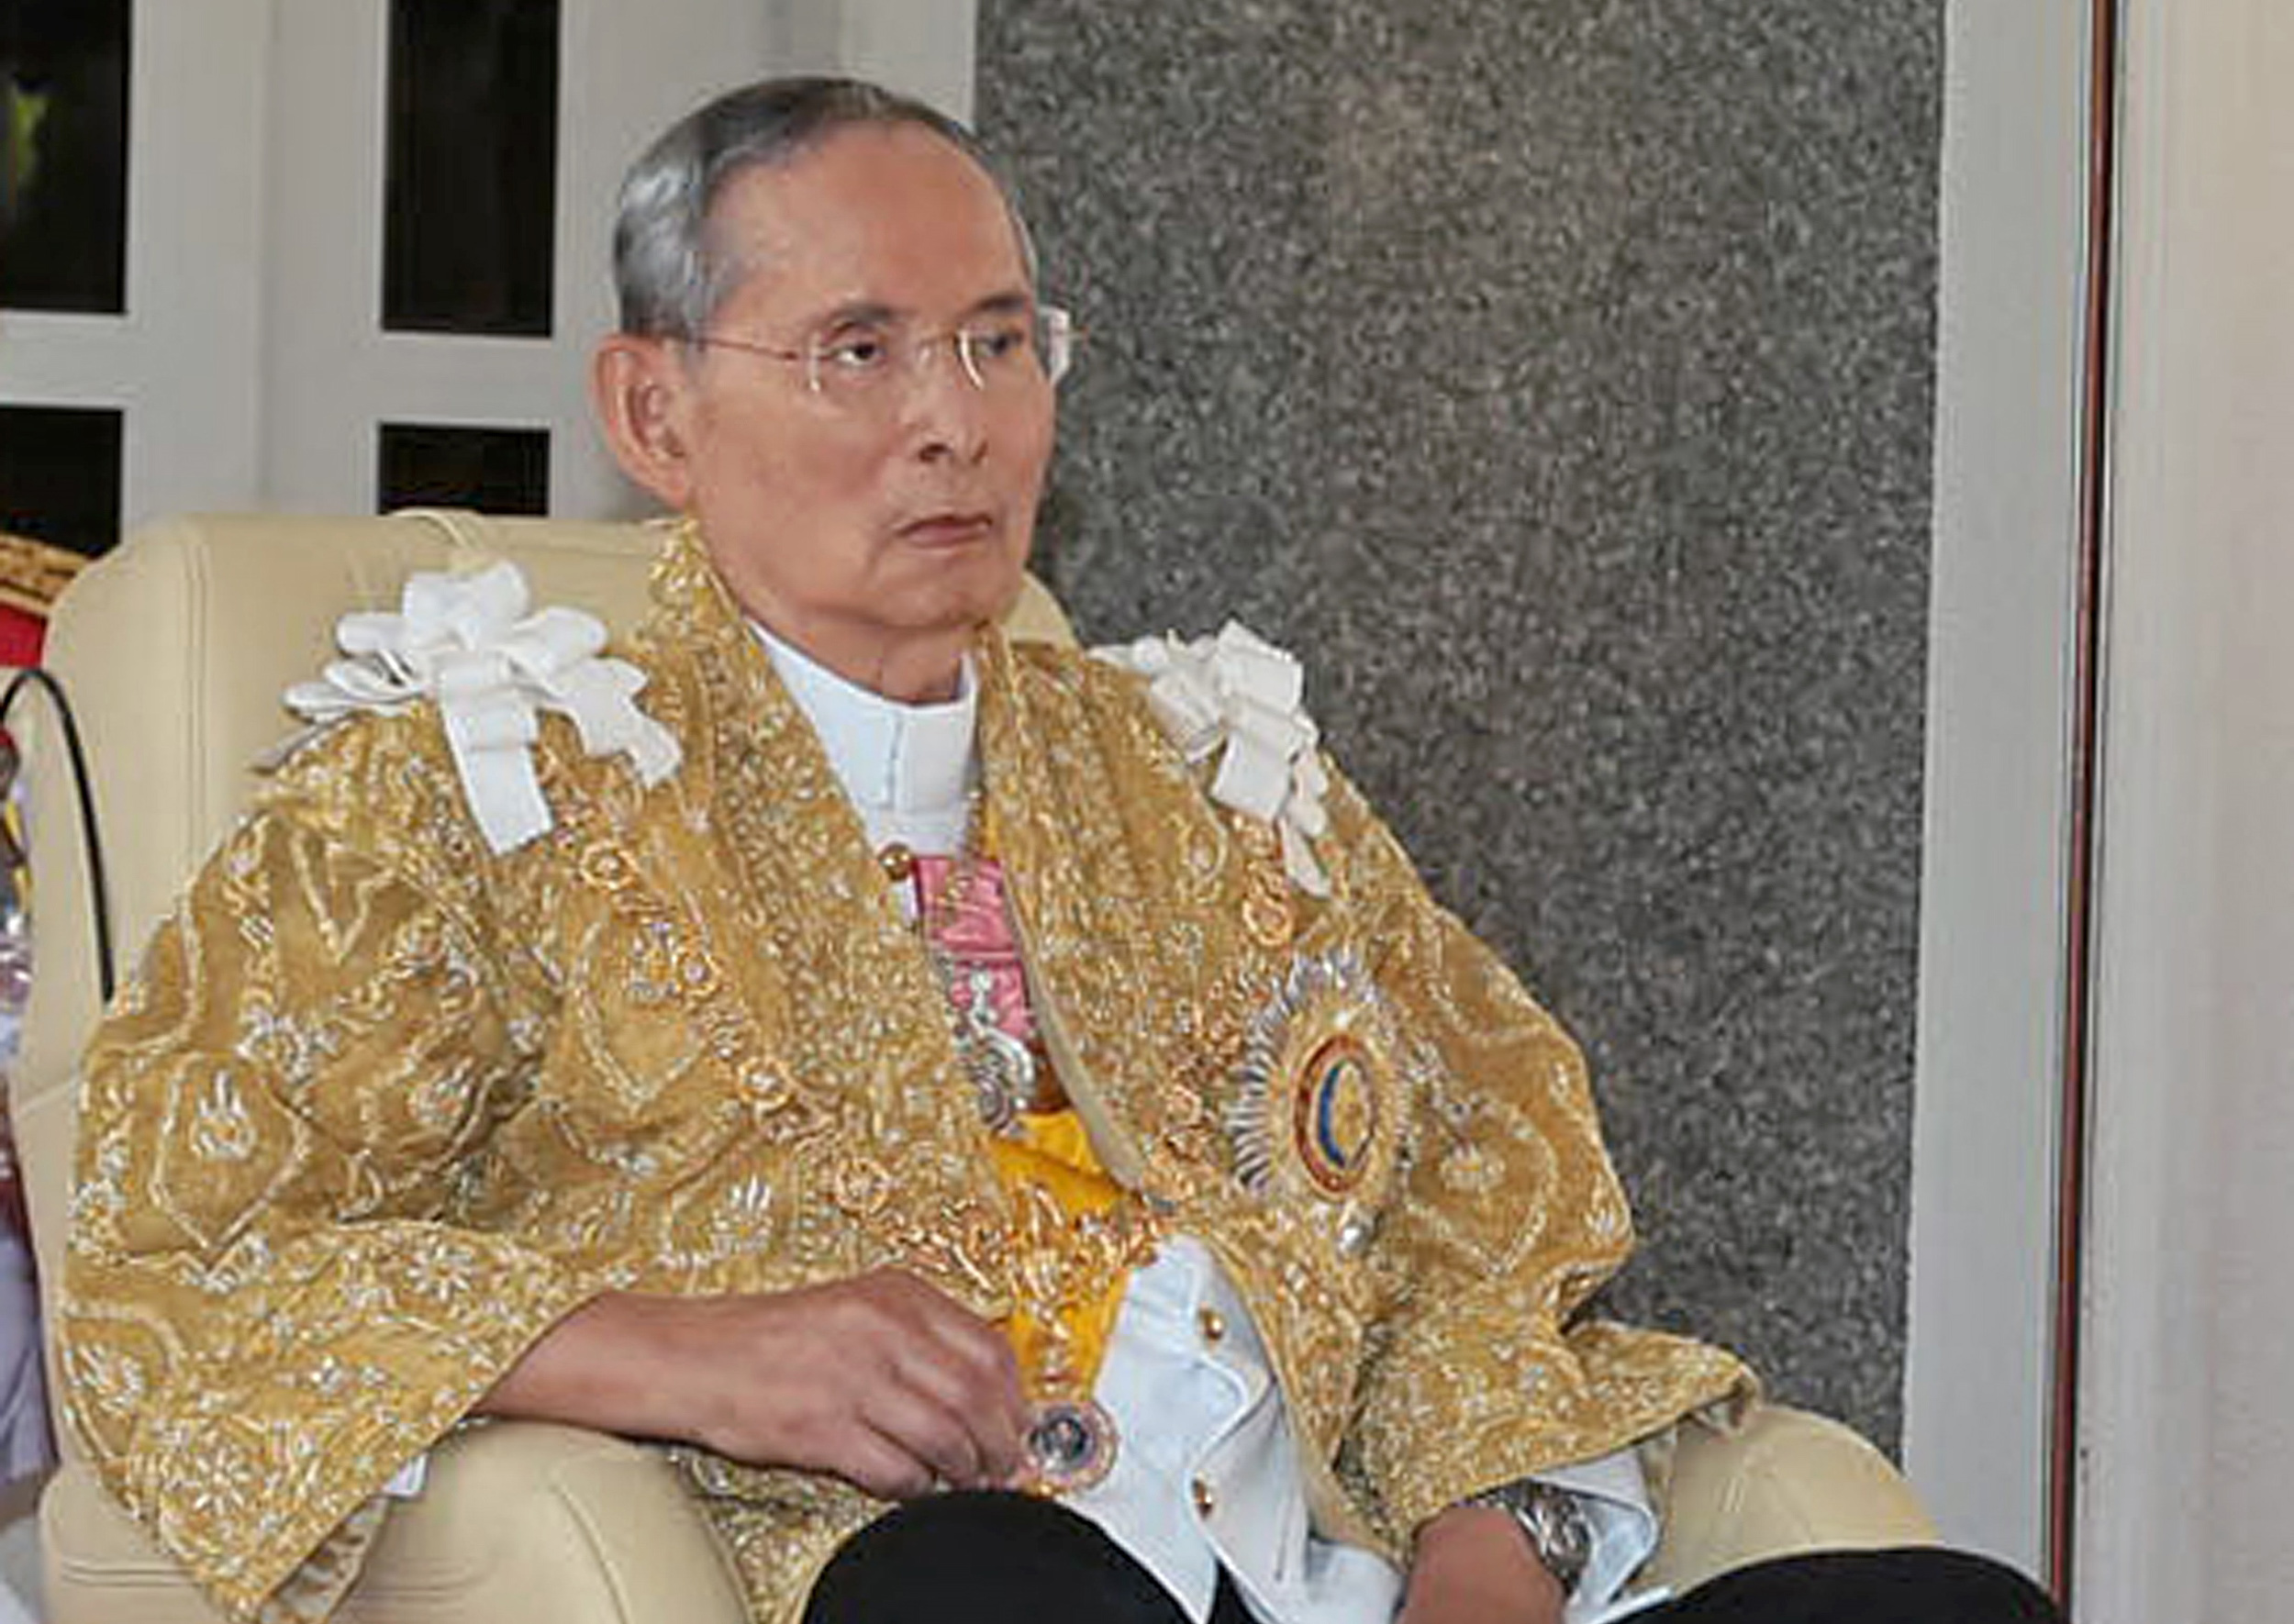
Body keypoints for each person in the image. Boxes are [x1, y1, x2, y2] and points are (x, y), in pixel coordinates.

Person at [58, 78, 2062, 1624]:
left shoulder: (1209, 780)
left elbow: (1482, 1210)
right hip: (910, 1577)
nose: (957, 422)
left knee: (1942, 1603)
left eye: (1001, 342)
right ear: (653, 414)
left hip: (1317, 1576)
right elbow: (179, 1272)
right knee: (979, 1594)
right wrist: (665, 1358)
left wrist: (1490, 1534)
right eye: (860, 350)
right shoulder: (466, 793)